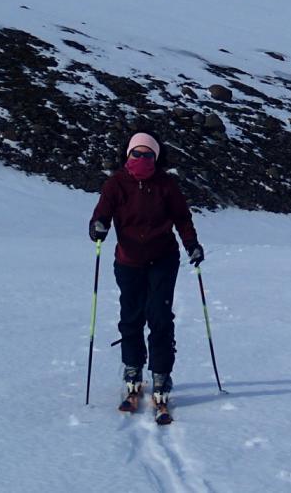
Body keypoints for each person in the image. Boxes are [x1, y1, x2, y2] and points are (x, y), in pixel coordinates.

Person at [89, 132, 204, 418]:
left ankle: (162, 374)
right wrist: (98, 227)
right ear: (127, 156)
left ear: (156, 158)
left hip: (163, 259)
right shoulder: (115, 183)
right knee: (131, 315)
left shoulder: (166, 184)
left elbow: (182, 218)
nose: (141, 159)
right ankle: (132, 368)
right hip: (128, 261)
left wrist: (192, 245)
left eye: (147, 155)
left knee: (160, 316)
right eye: (136, 154)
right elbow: (101, 214)